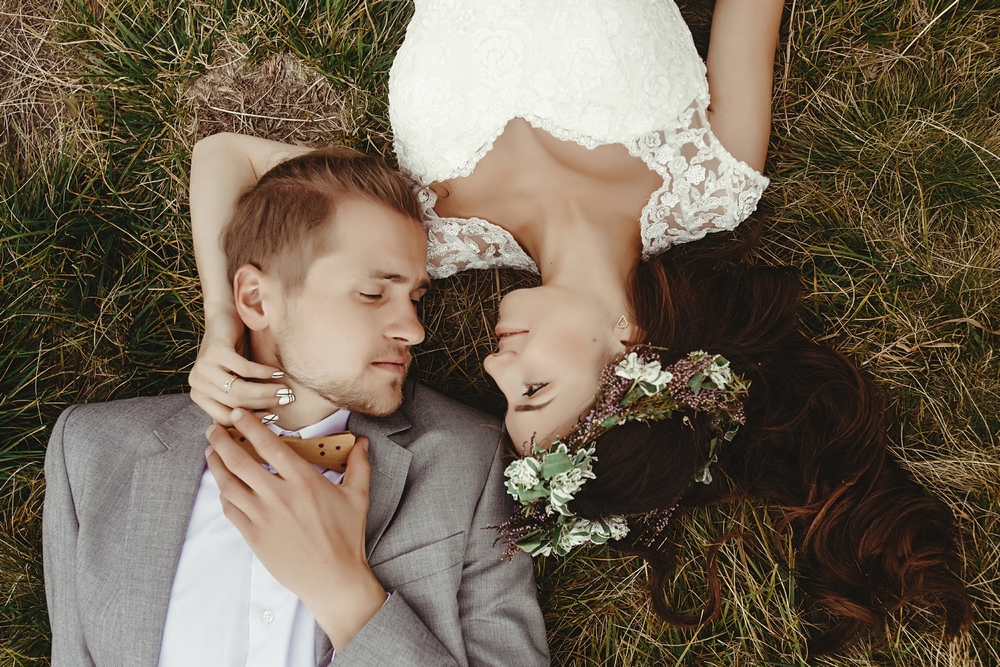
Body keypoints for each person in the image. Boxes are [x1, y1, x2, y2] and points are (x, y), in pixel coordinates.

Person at [187, 0, 972, 654]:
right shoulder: (717, 175)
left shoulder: (430, 234)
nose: (493, 370)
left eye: (503, 397)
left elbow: (227, 160)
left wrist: (220, 323)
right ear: (632, 352)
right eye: (532, 388)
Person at [42, 148, 550, 666]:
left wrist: (345, 594)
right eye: (373, 292)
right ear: (259, 301)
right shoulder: (92, 452)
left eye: (415, 298)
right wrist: (222, 320)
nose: (414, 330)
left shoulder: (466, 460)